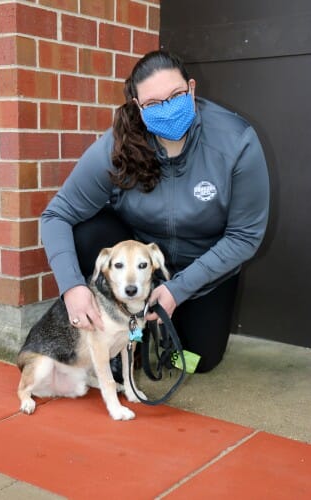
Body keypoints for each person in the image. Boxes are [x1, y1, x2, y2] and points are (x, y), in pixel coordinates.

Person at [41, 50, 270, 374]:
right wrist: (71, 288)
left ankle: (162, 326)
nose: (167, 108)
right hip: (140, 260)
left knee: (197, 362)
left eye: (176, 95)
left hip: (205, 266)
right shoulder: (117, 146)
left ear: (191, 89)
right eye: (153, 103)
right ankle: (123, 335)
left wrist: (177, 289)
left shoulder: (236, 141)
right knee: (87, 231)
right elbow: (56, 216)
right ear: (138, 105)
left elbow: (245, 236)